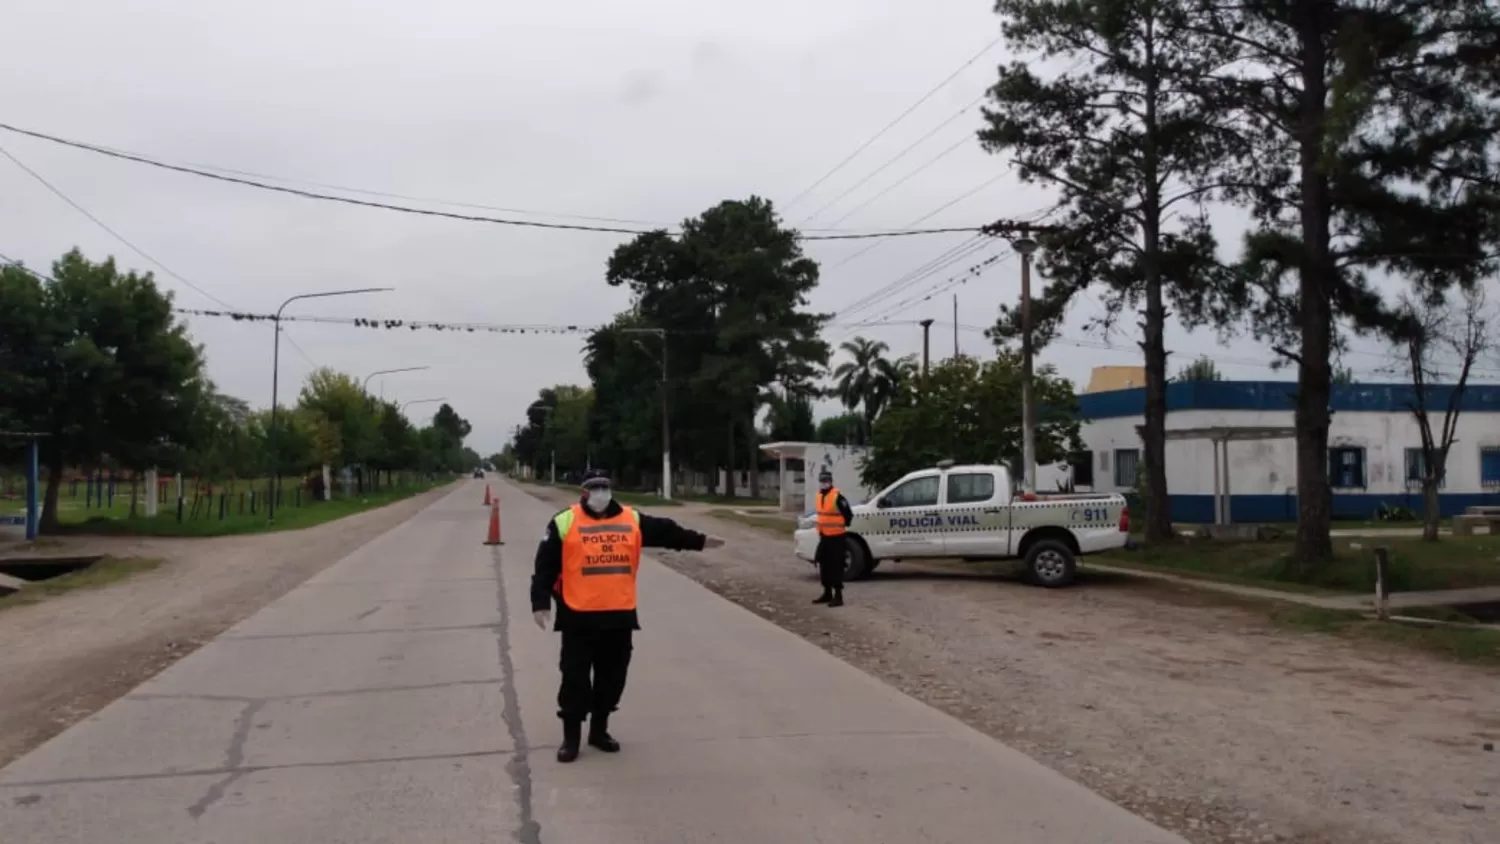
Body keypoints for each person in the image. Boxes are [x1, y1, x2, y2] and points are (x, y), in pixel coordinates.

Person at [531, 469, 725, 763]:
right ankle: (571, 739)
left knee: (612, 679)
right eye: (593, 487)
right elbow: (545, 565)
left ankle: (599, 731)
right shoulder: (564, 521)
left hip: (618, 616)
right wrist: (540, 601)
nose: (599, 492)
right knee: (574, 679)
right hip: (578, 617)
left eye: (604, 486)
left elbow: (665, 531)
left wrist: (699, 541)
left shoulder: (630, 519)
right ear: (584, 492)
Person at [812, 469, 854, 607]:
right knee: (824, 564)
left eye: (826, 481)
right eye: (822, 481)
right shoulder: (819, 496)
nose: (824, 483)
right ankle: (827, 592)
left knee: (836, 566)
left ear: (830, 481)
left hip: (837, 536)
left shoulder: (838, 497)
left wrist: (841, 525)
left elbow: (848, 514)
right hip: (824, 536)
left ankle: (838, 596)